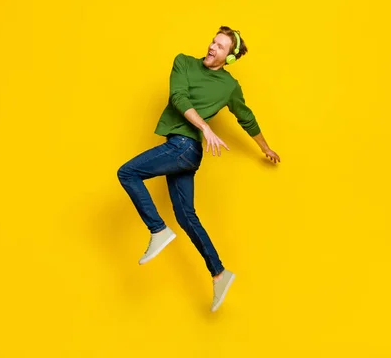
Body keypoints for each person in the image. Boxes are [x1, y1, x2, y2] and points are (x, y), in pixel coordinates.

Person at [116, 26, 280, 312]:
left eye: (220, 46)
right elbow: (178, 98)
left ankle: (157, 230)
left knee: (127, 173)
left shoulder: (229, 86)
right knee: (187, 218)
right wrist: (205, 127)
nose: (212, 47)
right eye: (212, 42)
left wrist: (264, 148)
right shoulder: (184, 62)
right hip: (185, 150)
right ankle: (219, 273)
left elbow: (246, 117)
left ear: (229, 58)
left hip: (183, 149)